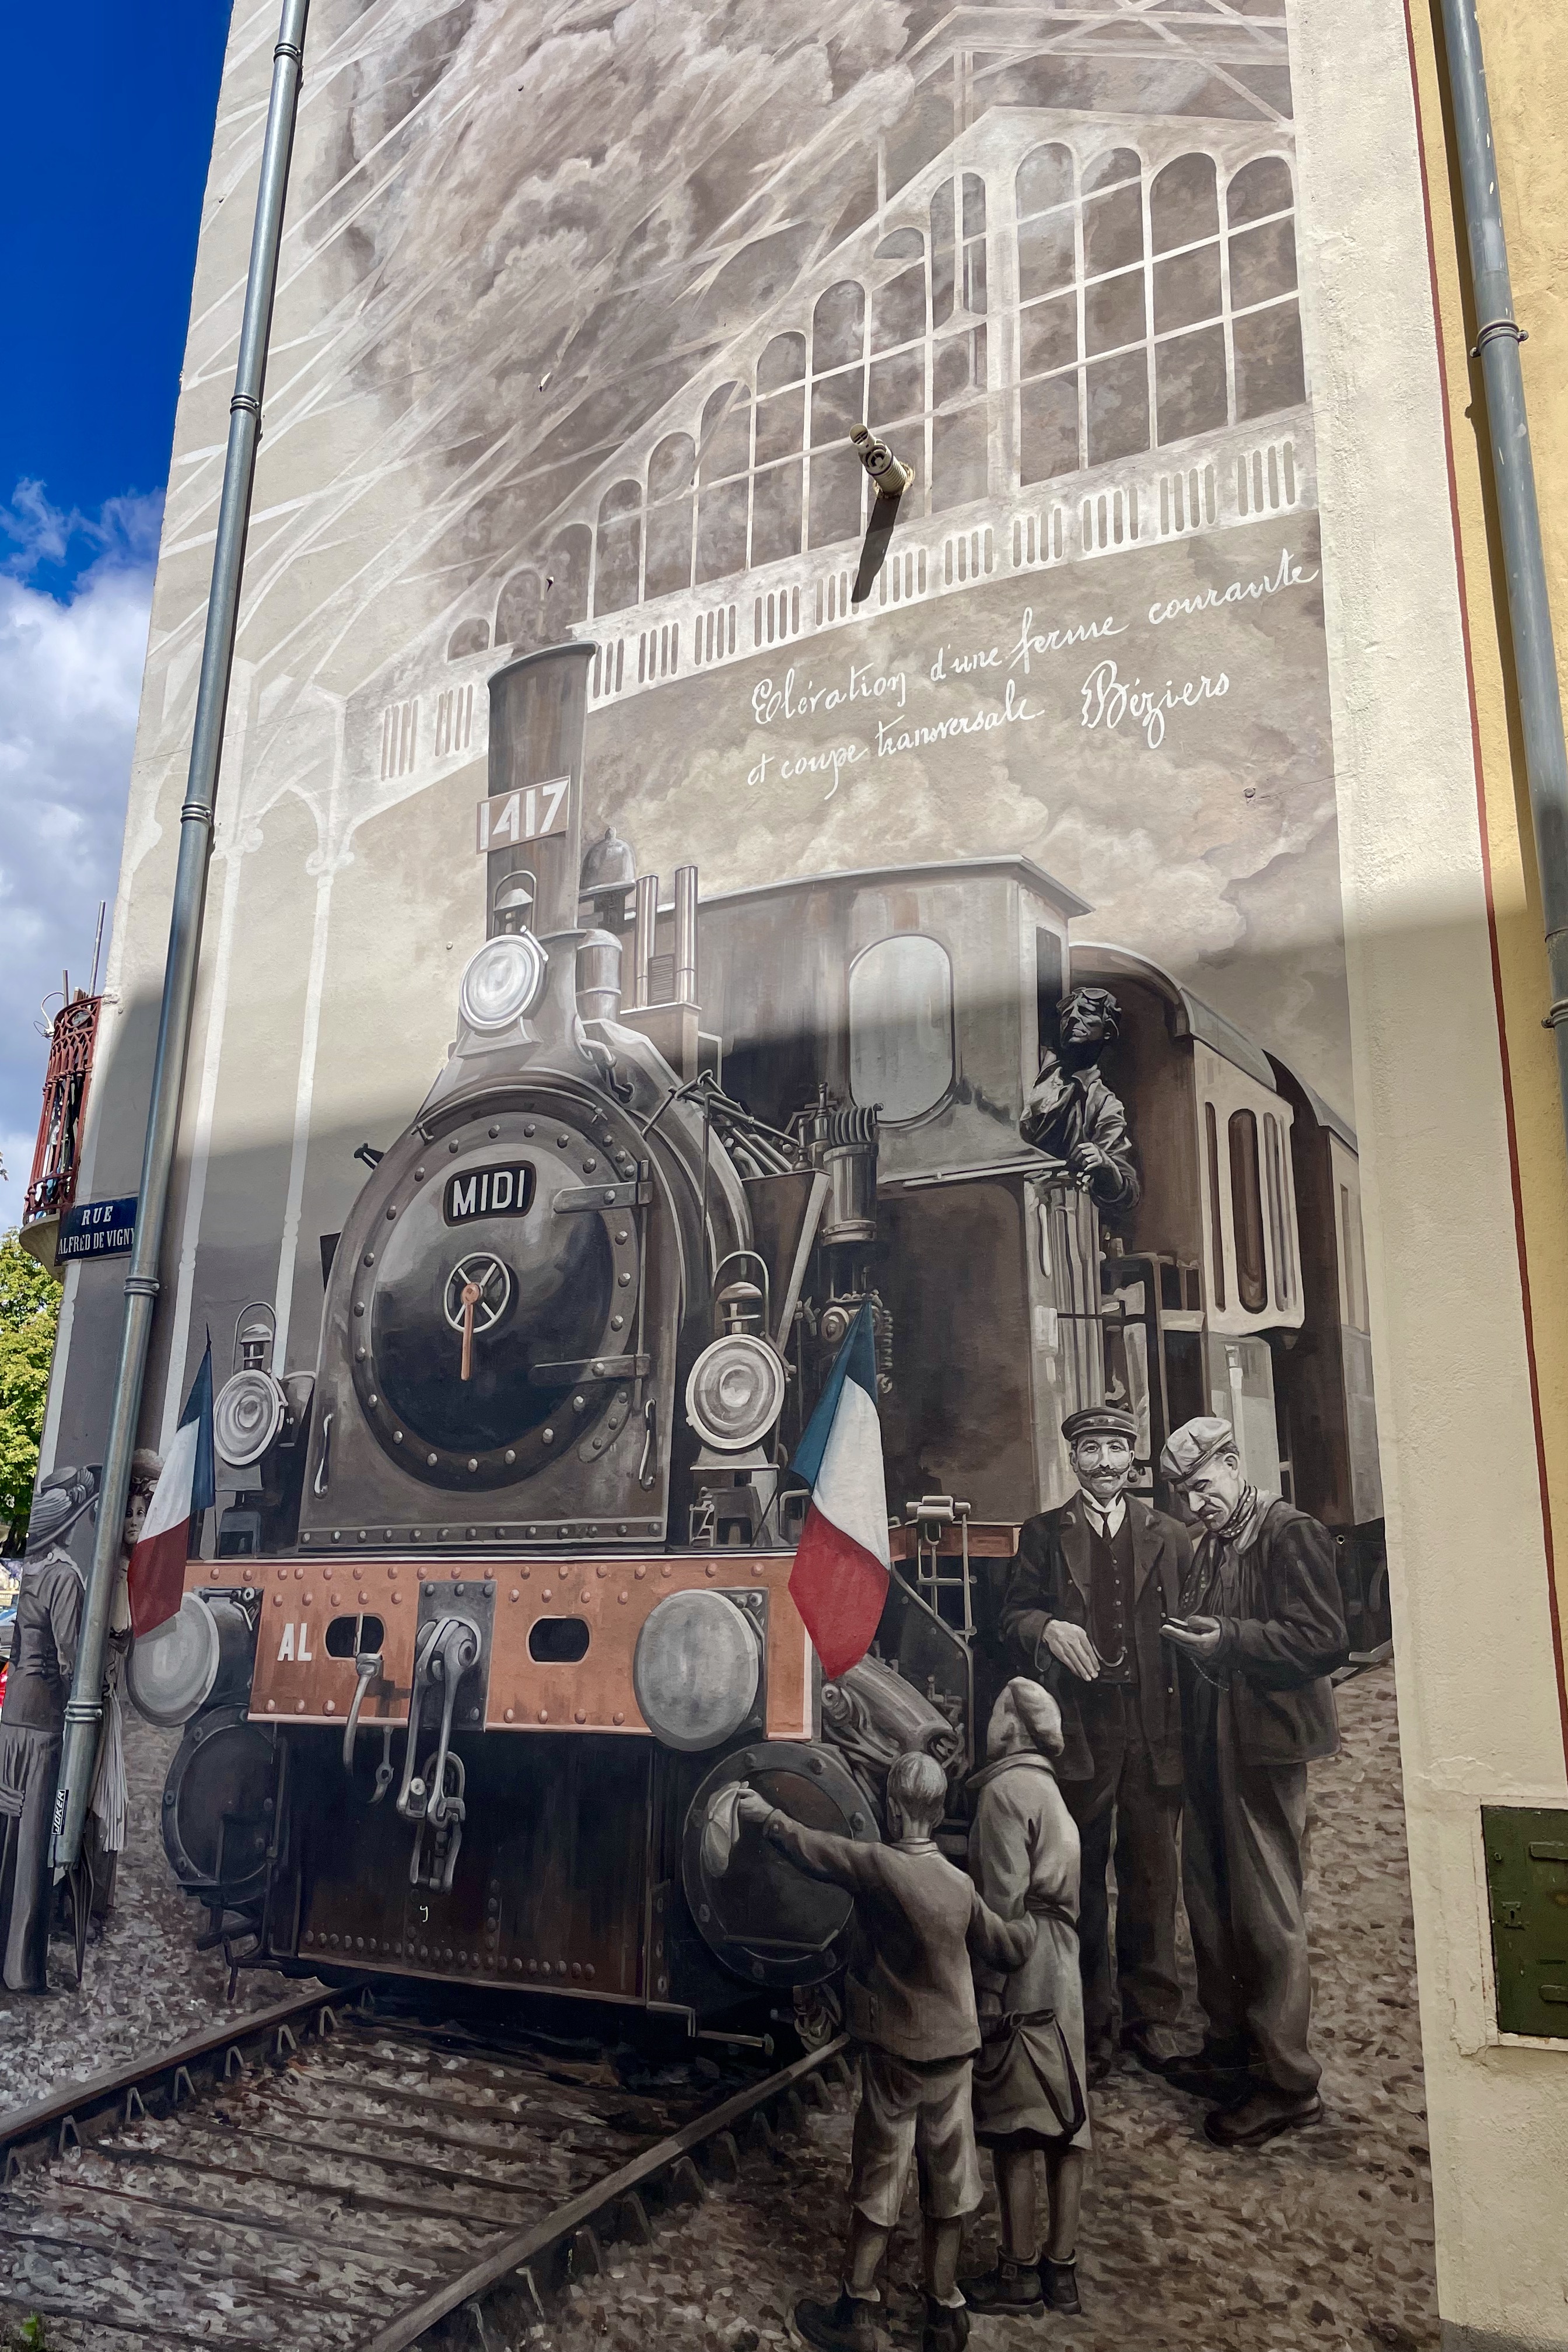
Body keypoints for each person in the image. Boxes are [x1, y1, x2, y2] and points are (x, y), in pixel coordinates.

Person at [735, 1751, 1035, 2352]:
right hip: (955, 2052)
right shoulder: (960, 1884)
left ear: (894, 1809)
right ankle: (943, 2312)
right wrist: (1035, 1923)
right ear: (939, 1812)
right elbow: (1006, 1945)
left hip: (897, 2052)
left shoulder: (879, 1865)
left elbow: (814, 1849)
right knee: (951, 2180)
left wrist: (765, 1815)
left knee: (880, 2174)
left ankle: (858, 2309)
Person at [1158, 1416, 1348, 2148]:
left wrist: (1229, 1639)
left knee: (1268, 1914)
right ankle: (1230, 2049)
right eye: (1184, 1494)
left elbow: (1324, 1640)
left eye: (1203, 1486)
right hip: (1213, 1738)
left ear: (1235, 1464)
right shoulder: (1212, 1541)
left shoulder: (1289, 1533)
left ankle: (1288, 2084)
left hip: (1265, 1745)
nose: (1195, 1505)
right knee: (1210, 1900)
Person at [999, 1403, 1191, 2082]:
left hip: (1152, 1725)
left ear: (1132, 1457)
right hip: (1081, 1729)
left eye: (1115, 1448)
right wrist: (1046, 1628)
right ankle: (1092, 2021)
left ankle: (1150, 2018)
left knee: (1151, 1874)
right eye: (1091, 1449)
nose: (1104, 1461)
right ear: (1073, 1459)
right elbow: (1012, 1617)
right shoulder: (1044, 1534)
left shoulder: (1171, 1534)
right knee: (1078, 1875)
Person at [961, 1679, 1091, 2319]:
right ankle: (1061, 2273)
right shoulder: (1051, 1793)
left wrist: (988, 1988)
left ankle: (1016, 2271)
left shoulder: (1003, 1792)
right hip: (1065, 1964)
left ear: (1011, 1725)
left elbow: (1002, 1908)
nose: (986, 1721)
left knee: (1015, 2120)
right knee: (1068, 2120)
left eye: (993, 1711)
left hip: (1026, 1964)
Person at [0, 1467, 97, 1992]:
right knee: (36, 1844)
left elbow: (16, 1650)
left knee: (7, 1836)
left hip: (12, 1718)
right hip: (44, 1728)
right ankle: (21, 1970)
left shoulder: (26, 1571)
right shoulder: (64, 1577)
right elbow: (71, 1658)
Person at [1020, 985, 1139, 1220]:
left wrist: (1104, 1164)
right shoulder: (1032, 1071)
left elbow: (1128, 1193)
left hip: (1054, 1213)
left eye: (1085, 1013)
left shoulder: (1104, 1104)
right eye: (1067, 1014)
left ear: (1107, 1032)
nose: (1073, 1018)